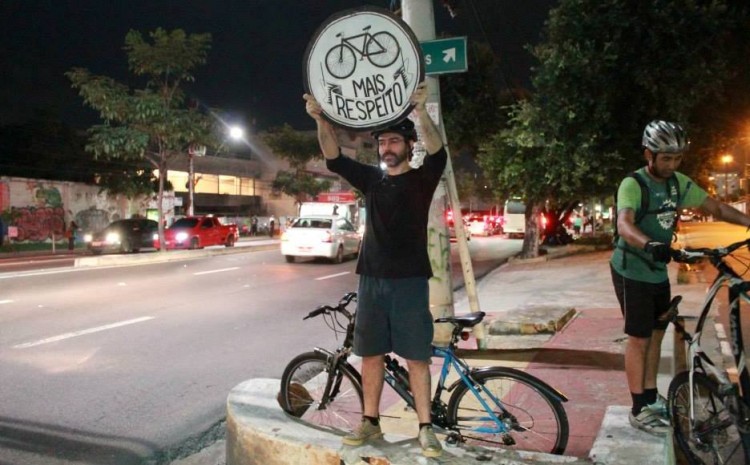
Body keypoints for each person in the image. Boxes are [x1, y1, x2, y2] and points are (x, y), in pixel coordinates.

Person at [304, 81, 446, 457]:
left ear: (408, 146)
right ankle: (370, 421)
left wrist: (419, 110)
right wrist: (321, 119)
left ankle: (425, 427)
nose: (387, 148)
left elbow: (438, 153)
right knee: (371, 354)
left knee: (416, 357)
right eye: (382, 142)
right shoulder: (372, 179)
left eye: (394, 142)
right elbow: (334, 158)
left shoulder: (421, 179)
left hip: (411, 282)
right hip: (372, 281)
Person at [610, 120, 750, 436]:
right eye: (665, 158)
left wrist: (748, 222)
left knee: (658, 333)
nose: (672, 164)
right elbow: (624, 224)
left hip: (657, 270)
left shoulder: (678, 184)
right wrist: (649, 244)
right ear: (649, 154)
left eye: (677, 158)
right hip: (631, 269)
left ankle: (650, 397)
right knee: (639, 337)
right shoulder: (634, 184)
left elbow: (716, 207)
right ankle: (638, 408)